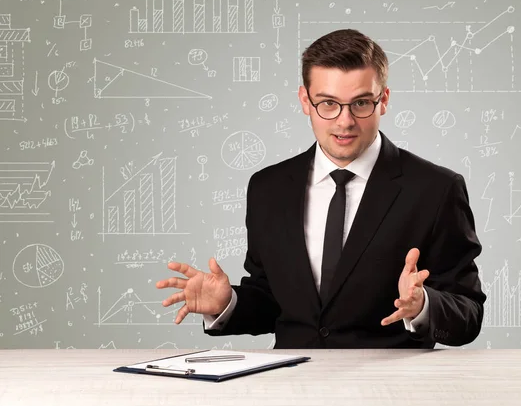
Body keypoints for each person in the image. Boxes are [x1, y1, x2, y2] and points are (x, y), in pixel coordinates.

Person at [156, 29, 486, 349]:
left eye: (360, 103)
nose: (344, 121)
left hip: (388, 391)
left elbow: (468, 313)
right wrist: (227, 302)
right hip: (290, 387)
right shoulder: (267, 188)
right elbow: (274, 302)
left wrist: (422, 305)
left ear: (383, 100)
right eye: (328, 103)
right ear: (304, 100)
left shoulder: (436, 189)